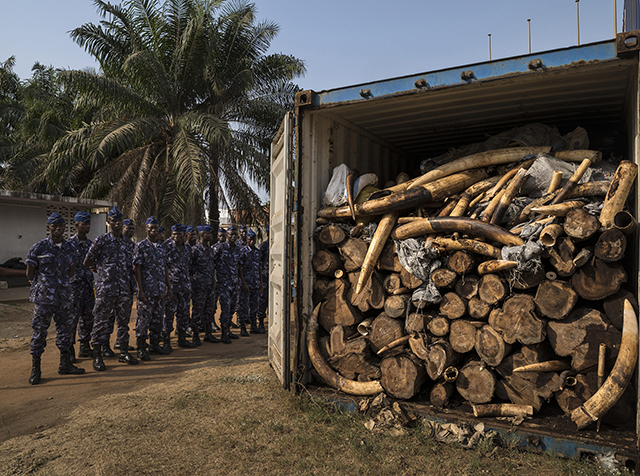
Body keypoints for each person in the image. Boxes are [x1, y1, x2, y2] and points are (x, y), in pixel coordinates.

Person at [26, 212, 85, 384]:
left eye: (61, 226)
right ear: (49, 227)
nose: (58, 229)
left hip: (64, 298)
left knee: (65, 331)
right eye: (55, 226)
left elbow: (71, 270)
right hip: (44, 298)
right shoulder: (39, 247)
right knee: (39, 333)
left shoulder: (70, 248)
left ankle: (65, 364)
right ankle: (36, 369)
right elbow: (30, 272)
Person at [85, 206, 138, 370]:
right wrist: (99, 270)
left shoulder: (129, 244)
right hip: (105, 290)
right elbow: (88, 261)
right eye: (113, 220)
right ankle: (97, 356)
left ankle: (123, 352)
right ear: (108, 222)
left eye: (119, 220)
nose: (117, 223)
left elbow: (131, 266)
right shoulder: (101, 241)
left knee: (123, 322)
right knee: (100, 322)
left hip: (123, 289)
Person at [133, 217, 172, 359]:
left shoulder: (162, 247)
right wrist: (140, 290)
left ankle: (155, 345)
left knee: (157, 319)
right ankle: (141, 348)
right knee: (144, 319)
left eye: (156, 228)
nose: (154, 231)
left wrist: (169, 287)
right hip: (147, 291)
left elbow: (165, 267)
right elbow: (137, 269)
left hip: (160, 290)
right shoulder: (141, 246)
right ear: (146, 229)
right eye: (151, 228)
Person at [163, 223, 195, 350]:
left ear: (184, 235)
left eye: (179, 234)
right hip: (171, 287)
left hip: (185, 286)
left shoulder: (187, 249)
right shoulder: (166, 246)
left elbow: (189, 265)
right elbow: (163, 266)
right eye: (174, 234)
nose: (176, 236)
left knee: (184, 313)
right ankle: (166, 341)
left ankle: (182, 338)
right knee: (168, 314)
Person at [68, 212, 95, 360]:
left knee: (88, 317)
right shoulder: (69, 244)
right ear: (76, 225)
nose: (87, 227)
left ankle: (84, 345)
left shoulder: (91, 245)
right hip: (74, 287)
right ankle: (69, 348)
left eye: (88, 224)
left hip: (87, 286)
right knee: (72, 318)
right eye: (84, 224)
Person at [189, 225, 218, 344]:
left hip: (210, 285)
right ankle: (195, 335)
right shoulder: (195, 250)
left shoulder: (210, 250)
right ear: (202, 234)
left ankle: (208, 334)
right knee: (197, 310)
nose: (211, 236)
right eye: (209, 234)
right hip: (199, 287)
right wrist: (195, 280)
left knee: (209, 310)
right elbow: (189, 267)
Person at [213, 226, 241, 343]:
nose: (233, 237)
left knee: (232, 307)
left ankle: (228, 330)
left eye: (235, 234)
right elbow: (212, 263)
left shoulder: (237, 249)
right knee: (225, 307)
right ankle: (224, 334)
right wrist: (215, 279)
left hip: (234, 283)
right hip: (223, 283)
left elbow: (238, 265)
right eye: (230, 235)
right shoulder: (220, 247)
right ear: (226, 236)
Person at [237, 230, 263, 336]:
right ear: (247, 240)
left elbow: (259, 268)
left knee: (254, 306)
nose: (252, 242)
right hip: (246, 284)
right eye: (249, 239)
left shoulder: (257, 252)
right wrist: (243, 283)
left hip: (255, 283)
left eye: (253, 239)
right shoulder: (243, 252)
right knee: (244, 306)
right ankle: (243, 327)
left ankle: (253, 326)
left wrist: (261, 283)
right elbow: (240, 268)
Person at [256, 226, 269, 334]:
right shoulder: (264, 245)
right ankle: (260, 323)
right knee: (262, 300)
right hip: (265, 277)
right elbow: (258, 262)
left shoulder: (279, 244)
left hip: (275, 277)